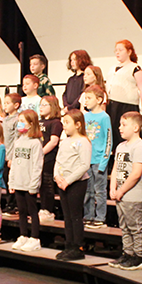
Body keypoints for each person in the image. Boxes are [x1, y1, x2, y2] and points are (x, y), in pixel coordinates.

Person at [108, 111, 142, 270]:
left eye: (124, 125)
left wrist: (121, 190)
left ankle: (138, 256)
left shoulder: (139, 147)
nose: (120, 128)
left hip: (132, 195)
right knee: (124, 227)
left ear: (136, 127)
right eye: (120, 124)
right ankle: (127, 253)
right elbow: (115, 169)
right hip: (120, 194)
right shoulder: (120, 146)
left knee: (135, 227)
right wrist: (112, 188)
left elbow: (136, 173)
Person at [54, 109, 92, 261]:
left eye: (67, 122)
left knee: (75, 216)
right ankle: (68, 245)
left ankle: (78, 247)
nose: (64, 125)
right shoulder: (65, 141)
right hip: (62, 183)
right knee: (67, 216)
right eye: (63, 122)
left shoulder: (83, 141)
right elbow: (58, 160)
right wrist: (57, 176)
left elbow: (84, 165)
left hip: (76, 183)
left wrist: (68, 180)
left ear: (78, 124)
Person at [9, 109, 44, 252]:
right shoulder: (18, 141)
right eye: (19, 121)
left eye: (23, 121)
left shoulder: (35, 143)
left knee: (32, 210)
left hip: (29, 183)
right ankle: (23, 235)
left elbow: (37, 165)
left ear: (30, 124)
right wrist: (11, 181)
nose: (19, 124)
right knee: (21, 211)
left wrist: (34, 184)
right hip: (18, 182)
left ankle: (35, 238)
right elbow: (14, 162)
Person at [106, 39, 142, 152]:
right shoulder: (112, 68)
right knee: (113, 133)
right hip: (112, 105)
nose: (117, 53)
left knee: (126, 132)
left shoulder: (135, 68)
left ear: (129, 52)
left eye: (120, 50)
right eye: (116, 50)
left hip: (126, 106)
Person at [83, 86, 112, 229]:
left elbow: (108, 141)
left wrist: (103, 162)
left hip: (99, 160)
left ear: (99, 99)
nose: (86, 101)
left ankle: (100, 217)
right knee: (88, 191)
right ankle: (88, 215)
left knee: (100, 191)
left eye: (89, 98)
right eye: (85, 98)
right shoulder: (85, 116)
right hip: (86, 161)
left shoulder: (104, 117)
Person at [38, 96, 62, 221]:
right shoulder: (40, 122)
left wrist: (40, 153)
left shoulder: (55, 123)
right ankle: (42, 208)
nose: (41, 108)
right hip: (38, 158)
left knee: (47, 184)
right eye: (40, 105)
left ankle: (48, 209)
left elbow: (53, 142)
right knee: (41, 184)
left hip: (48, 158)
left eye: (44, 105)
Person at [1, 92, 22, 217]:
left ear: (16, 105)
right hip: (4, 153)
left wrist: (12, 157)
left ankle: (14, 205)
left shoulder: (18, 120)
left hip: (12, 155)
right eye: (4, 103)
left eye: (8, 103)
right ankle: (9, 203)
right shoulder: (5, 119)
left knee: (11, 180)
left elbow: (16, 139)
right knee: (5, 178)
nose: (5, 106)